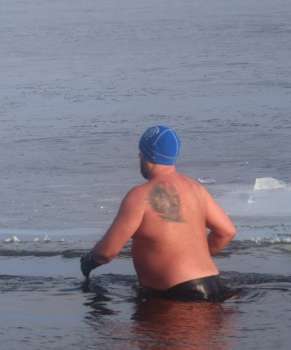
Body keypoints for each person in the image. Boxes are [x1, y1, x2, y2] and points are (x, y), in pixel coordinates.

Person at [81, 125, 239, 302]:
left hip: (180, 295)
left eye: (140, 152)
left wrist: (88, 261)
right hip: (214, 285)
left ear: (145, 155)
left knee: (109, 328)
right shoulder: (196, 188)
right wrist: (194, 260)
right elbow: (226, 232)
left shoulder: (141, 196)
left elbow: (106, 252)